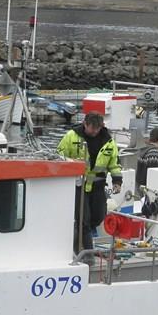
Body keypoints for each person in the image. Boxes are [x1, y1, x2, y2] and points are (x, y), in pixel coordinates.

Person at [57, 111, 122, 260]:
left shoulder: (109, 142)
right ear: (85, 124)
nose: (94, 131)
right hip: (79, 185)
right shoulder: (71, 136)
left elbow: (114, 164)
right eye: (91, 128)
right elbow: (59, 155)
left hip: (97, 186)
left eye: (97, 129)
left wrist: (117, 181)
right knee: (83, 220)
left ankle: (76, 235)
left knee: (98, 217)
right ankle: (88, 255)